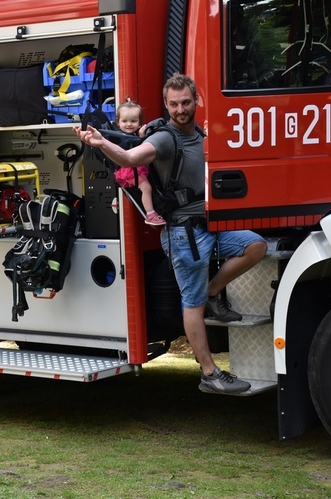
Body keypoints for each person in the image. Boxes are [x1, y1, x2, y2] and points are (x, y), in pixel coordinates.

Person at [74, 73, 268, 394]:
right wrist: (101, 142)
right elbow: (129, 157)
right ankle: (209, 373)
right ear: (166, 105)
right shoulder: (165, 139)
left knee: (256, 246)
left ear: (196, 102)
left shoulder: (199, 133)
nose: (181, 109)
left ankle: (213, 292)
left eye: (186, 102)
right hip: (183, 235)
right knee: (191, 303)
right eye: (174, 104)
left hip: (209, 226)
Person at [111, 100, 166, 226]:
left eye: (133, 121)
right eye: (124, 121)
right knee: (146, 188)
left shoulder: (132, 134)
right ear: (118, 122)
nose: (129, 124)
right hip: (129, 171)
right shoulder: (120, 137)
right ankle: (150, 214)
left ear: (140, 123)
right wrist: (141, 138)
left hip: (135, 169)